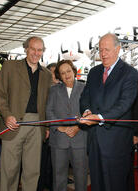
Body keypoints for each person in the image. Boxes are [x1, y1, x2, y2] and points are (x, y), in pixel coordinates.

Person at [79, 33, 138, 191]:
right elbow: (85, 97)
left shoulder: (130, 73)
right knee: (97, 183)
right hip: (94, 141)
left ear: (118, 49)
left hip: (116, 142)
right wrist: (86, 111)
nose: (103, 54)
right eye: (100, 50)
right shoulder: (93, 72)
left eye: (106, 50)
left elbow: (124, 104)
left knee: (116, 184)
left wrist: (99, 117)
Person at [0, 36, 52, 191]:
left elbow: (47, 103)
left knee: (33, 171)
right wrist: (7, 115)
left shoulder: (46, 74)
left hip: (37, 125)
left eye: (39, 50)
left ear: (43, 52)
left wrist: (46, 126)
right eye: (32, 49)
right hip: (13, 123)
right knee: (10, 170)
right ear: (26, 49)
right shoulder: (10, 66)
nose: (36, 53)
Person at [46, 59, 88, 191]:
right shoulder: (53, 90)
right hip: (59, 140)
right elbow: (49, 111)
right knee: (59, 178)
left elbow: (90, 111)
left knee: (81, 178)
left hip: (80, 139)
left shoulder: (85, 88)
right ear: (59, 75)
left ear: (74, 71)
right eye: (62, 73)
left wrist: (78, 127)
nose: (67, 75)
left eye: (68, 71)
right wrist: (60, 127)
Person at [37, 63, 60, 191]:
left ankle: (51, 184)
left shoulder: (62, 88)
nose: (55, 75)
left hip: (57, 131)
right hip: (44, 129)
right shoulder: (44, 88)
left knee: (54, 163)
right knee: (41, 161)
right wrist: (46, 127)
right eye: (52, 72)